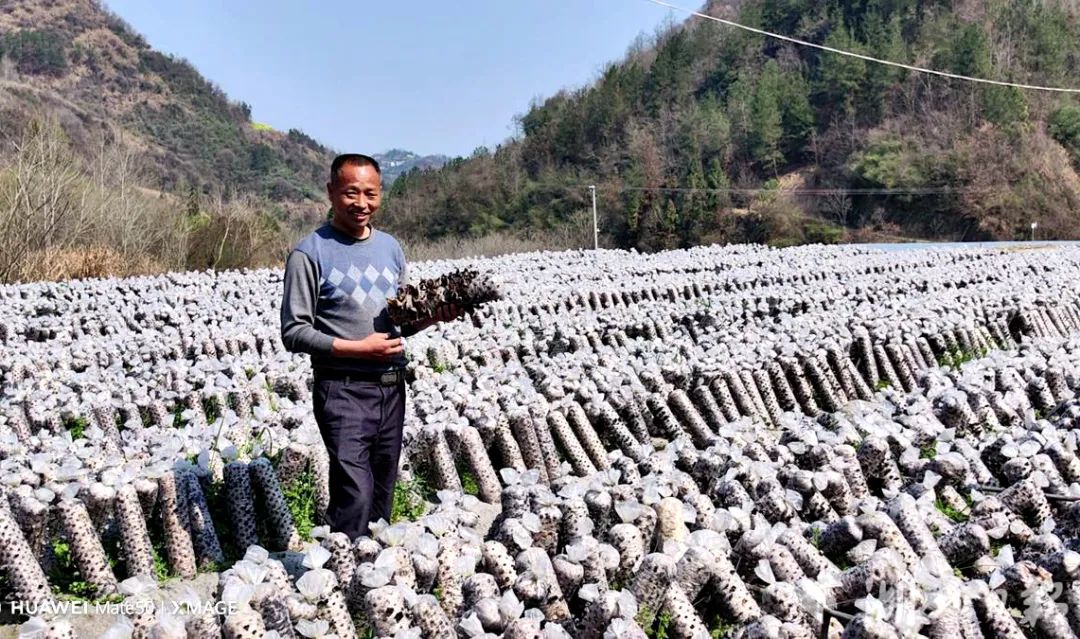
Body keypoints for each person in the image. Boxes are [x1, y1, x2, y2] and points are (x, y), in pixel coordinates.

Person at [280, 153, 459, 539]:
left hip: (392, 387)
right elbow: (294, 332)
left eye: (371, 194)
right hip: (342, 389)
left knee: (381, 495)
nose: (362, 203)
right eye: (351, 193)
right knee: (354, 496)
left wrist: (432, 318)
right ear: (330, 192)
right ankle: (340, 578)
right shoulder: (309, 254)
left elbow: (399, 326)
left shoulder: (391, 249)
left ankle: (375, 575)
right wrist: (359, 349)